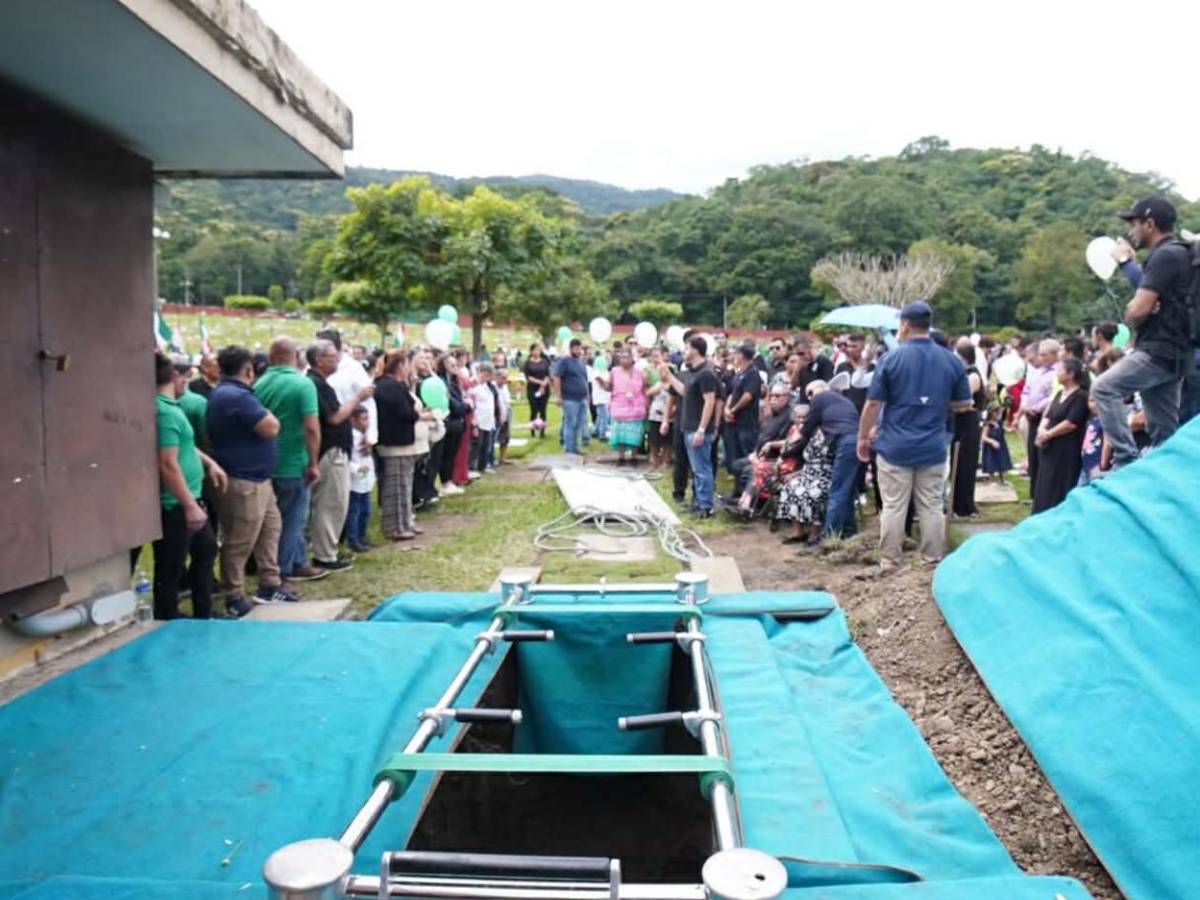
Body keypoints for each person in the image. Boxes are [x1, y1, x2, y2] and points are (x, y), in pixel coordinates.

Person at [856, 302, 971, 573]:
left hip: (895, 445)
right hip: (932, 445)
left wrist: (862, 437)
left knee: (894, 506)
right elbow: (964, 403)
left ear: (905, 325)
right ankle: (933, 561)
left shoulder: (891, 359)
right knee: (931, 505)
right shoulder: (951, 359)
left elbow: (873, 404)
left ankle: (890, 562)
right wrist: (936, 403)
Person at [1094, 197, 1194, 466]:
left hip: (1156, 351)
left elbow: (1138, 310)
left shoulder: (1163, 256)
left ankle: (1126, 462)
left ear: (1150, 224)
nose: (1130, 231)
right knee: (1164, 434)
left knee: (1104, 388)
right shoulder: (1181, 253)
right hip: (1178, 355)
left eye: (1134, 224)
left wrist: (1132, 311)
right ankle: (1169, 475)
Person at [206, 345, 297, 617]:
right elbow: (270, 427)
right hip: (244, 480)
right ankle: (234, 596)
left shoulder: (227, 394)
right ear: (248, 369)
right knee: (240, 540)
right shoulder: (236, 396)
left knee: (271, 528)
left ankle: (270, 583)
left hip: (257, 479)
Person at [153, 352, 224, 620]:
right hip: (177, 504)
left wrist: (209, 463)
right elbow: (167, 463)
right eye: (184, 377)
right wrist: (189, 505)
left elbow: (185, 445)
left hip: (190, 499)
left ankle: (203, 612)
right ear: (174, 377)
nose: (187, 382)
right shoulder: (164, 412)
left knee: (206, 551)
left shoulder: (171, 409)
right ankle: (167, 616)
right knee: (171, 567)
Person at [255, 339, 326, 582]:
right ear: (296, 356)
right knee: (292, 520)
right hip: (294, 462)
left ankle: (298, 561)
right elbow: (311, 428)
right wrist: (314, 462)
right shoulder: (302, 384)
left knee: (276, 520)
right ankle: (282, 571)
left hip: (267, 461)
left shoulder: (260, 383)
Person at [307, 339, 374, 571]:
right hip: (330, 452)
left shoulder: (321, 383)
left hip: (335, 451)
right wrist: (358, 397)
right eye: (333, 356)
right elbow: (334, 417)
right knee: (330, 503)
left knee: (335, 502)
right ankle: (325, 554)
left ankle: (328, 549)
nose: (337, 360)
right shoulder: (315, 384)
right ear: (319, 360)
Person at [374, 351, 432, 541]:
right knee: (396, 488)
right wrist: (422, 416)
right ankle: (395, 527)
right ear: (400, 366)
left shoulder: (397, 386)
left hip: (403, 442)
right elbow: (405, 412)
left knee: (405, 486)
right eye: (407, 364)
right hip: (394, 443)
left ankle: (406, 521)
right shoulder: (388, 387)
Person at [793, 380, 860, 542]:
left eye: (810, 393)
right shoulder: (845, 402)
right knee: (847, 489)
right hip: (856, 442)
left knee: (837, 491)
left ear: (821, 389)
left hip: (844, 442)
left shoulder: (821, 397)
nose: (809, 398)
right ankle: (849, 530)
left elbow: (808, 427)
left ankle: (828, 538)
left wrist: (796, 437)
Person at [661, 336, 719, 517]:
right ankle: (699, 502)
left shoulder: (706, 373)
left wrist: (702, 429)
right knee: (696, 469)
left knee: (702, 469)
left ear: (695, 350)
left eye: (686, 349)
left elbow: (710, 402)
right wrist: (669, 376)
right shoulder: (692, 372)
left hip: (698, 429)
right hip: (687, 427)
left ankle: (706, 507)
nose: (684, 353)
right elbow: (684, 392)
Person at [1033, 357, 1090, 513]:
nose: (1057, 373)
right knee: (1046, 480)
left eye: (1060, 370)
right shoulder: (1060, 393)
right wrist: (1042, 430)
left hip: (1066, 447)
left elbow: (1071, 423)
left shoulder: (1080, 396)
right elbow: (1048, 415)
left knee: (1060, 481)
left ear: (1070, 374)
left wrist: (1049, 434)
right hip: (1049, 445)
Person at [776, 404, 833, 544]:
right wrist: (795, 474)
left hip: (826, 475)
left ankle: (815, 534)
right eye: (799, 417)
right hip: (807, 473)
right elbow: (789, 453)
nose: (802, 420)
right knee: (790, 488)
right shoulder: (806, 434)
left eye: (805, 418)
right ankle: (798, 532)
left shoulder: (828, 433)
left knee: (812, 493)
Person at [951, 340, 986, 517]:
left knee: (965, 464)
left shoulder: (972, 376)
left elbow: (964, 402)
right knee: (956, 465)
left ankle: (963, 505)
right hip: (959, 423)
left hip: (968, 424)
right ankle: (955, 501)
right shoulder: (963, 374)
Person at [1018, 339, 1058, 493]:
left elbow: (1052, 395)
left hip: (1045, 416)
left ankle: (1043, 490)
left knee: (1043, 455)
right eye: (1039, 354)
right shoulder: (1035, 372)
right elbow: (1026, 391)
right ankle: (1034, 490)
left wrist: (1036, 407)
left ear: (1054, 354)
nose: (1040, 358)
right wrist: (1025, 405)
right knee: (1032, 453)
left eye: (1044, 355)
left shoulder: (1057, 372)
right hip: (1031, 416)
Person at [600, 349, 647, 464]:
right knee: (619, 433)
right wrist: (601, 382)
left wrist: (646, 404)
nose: (624, 360)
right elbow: (609, 387)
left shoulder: (639, 373)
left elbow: (644, 390)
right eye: (622, 357)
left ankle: (633, 457)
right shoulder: (614, 372)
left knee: (634, 433)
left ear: (632, 359)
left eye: (627, 357)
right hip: (619, 406)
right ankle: (621, 457)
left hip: (635, 407)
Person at [723, 346, 761, 472]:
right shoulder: (740, 373)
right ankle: (737, 488)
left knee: (746, 454)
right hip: (734, 422)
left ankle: (746, 486)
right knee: (735, 455)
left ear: (742, 356)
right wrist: (727, 409)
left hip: (746, 422)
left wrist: (733, 410)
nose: (734, 357)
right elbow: (733, 393)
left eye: (736, 354)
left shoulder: (753, 373)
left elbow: (747, 396)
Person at [344, 406, 375, 553]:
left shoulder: (365, 435)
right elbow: (346, 458)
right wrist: (356, 468)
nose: (367, 422)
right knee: (354, 511)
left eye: (367, 419)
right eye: (363, 419)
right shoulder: (350, 437)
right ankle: (352, 538)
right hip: (354, 479)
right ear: (353, 420)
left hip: (365, 479)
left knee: (365, 510)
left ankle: (362, 536)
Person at [436, 355, 467, 494]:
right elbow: (455, 405)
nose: (456, 368)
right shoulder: (443, 383)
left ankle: (449, 480)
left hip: (458, 422)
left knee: (452, 453)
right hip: (450, 421)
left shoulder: (454, 382)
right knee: (447, 455)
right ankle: (445, 482)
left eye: (456, 365)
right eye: (452, 365)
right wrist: (464, 406)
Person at [552, 339, 589, 455]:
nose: (578, 351)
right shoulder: (565, 362)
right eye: (576, 348)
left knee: (579, 423)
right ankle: (568, 448)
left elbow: (584, 380)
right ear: (571, 349)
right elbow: (557, 377)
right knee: (570, 423)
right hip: (570, 398)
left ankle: (575, 447)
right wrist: (558, 395)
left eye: (580, 348)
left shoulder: (581, 363)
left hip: (582, 398)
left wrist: (587, 395)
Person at [468, 362, 498, 473]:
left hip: (488, 419)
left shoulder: (487, 385)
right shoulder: (473, 383)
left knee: (486, 444)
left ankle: (483, 465)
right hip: (478, 418)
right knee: (477, 445)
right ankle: (472, 466)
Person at [646, 347, 672, 469]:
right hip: (655, 413)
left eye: (664, 371)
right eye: (660, 372)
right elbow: (648, 393)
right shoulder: (658, 384)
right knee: (654, 438)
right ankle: (654, 458)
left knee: (667, 439)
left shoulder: (673, 385)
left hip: (669, 415)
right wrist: (658, 387)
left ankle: (666, 460)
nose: (662, 374)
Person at [523, 344, 551, 438]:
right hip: (532, 388)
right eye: (535, 350)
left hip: (544, 388)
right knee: (534, 410)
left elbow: (548, 374)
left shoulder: (544, 362)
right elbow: (528, 377)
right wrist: (539, 382)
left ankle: (543, 431)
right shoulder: (528, 363)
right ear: (531, 351)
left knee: (543, 410)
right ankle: (533, 431)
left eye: (538, 350)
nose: (536, 352)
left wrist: (544, 384)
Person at [980, 405, 1012, 482]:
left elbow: (1007, 430)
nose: (1000, 415)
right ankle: (992, 479)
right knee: (992, 463)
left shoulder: (999, 423)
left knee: (1001, 462)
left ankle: (1002, 478)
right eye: (999, 413)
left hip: (1001, 447)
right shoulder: (988, 425)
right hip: (991, 449)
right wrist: (992, 441)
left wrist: (1012, 428)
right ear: (992, 414)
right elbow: (983, 437)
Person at [495, 369, 513, 465]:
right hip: (496, 415)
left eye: (506, 378)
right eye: (503, 378)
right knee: (494, 438)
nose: (505, 381)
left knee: (505, 437)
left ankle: (503, 458)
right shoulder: (493, 387)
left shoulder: (505, 387)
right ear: (496, 377)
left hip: (505, 413)